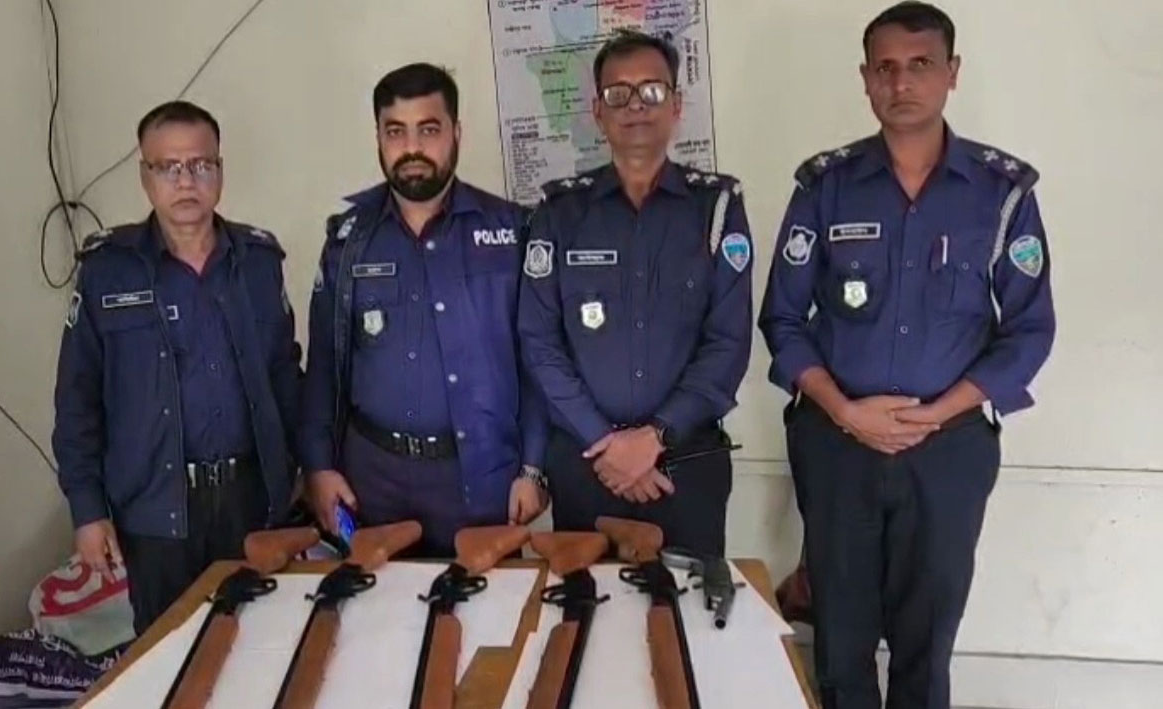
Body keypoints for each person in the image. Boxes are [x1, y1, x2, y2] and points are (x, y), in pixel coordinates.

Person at [757, 3, 1056, 707]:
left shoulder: (1000, 192)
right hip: (838, 445)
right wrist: (844, 410)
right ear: (865, 79)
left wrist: (939, 412)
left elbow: (1029, 329)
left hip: (947, 451)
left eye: (920, 65)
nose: (902, 83)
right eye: (885, 68)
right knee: (839, 636)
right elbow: (782, 317)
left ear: (952, 73)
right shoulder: (825, 186)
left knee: (927, 638)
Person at [51, 100, 301, 634]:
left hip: (251, 502)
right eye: (168, 167)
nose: (186, 181)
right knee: (169, 649)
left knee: (261, 641)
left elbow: (286, 378)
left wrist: (308, 473)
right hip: (156, 511)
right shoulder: (108, 273)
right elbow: (77, 400)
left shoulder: (258, 263)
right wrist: (88, 511)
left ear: (220, 171)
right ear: (145, 176)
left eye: (201, 164)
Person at [518, 30, 753, 558]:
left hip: (684, 465)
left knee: (686, 605)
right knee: (583, 604)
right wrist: (605, 443)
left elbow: (728, 342)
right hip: (587, 464)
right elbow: (538, 340)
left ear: (676, 105)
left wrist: (654, 438)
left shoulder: (716, 208)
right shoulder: (560, 214)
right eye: (617, 94)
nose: (635, 106)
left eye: (651, 91)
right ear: (597, 112)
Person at [299, 63, 548, 557]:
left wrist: (534, 469)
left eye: (429, 129)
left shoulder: (511, 232)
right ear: (378, 137)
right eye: (396, 131)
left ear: (456, 133)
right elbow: (323, 366)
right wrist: (318, 467)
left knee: (488, 606)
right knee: (376, 607)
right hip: (373, 486)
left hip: (481, 481)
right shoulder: (349, 241)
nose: (412, 147)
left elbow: (539, 362)